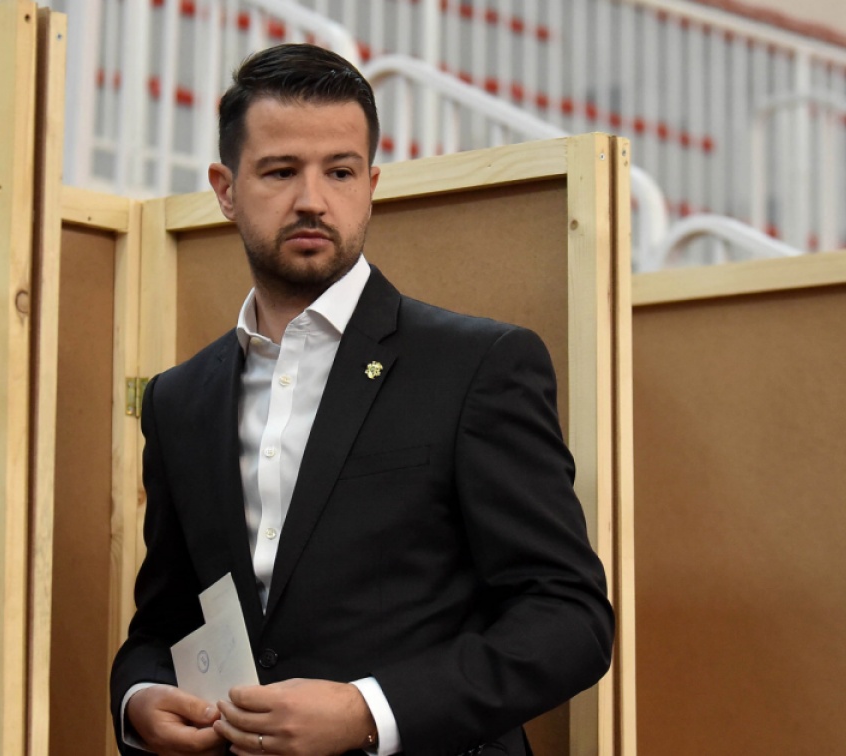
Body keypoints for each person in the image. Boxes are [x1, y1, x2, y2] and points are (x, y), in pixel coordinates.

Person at [109, 43, 614, 756]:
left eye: (340, 172)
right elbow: (163, 623)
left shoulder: (478, 366)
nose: (312, 200)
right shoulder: (178, 400)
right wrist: (138, 699)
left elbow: (569, 621)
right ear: (225, 188)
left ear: (371, 184)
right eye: (280, 171)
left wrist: (368, 711)